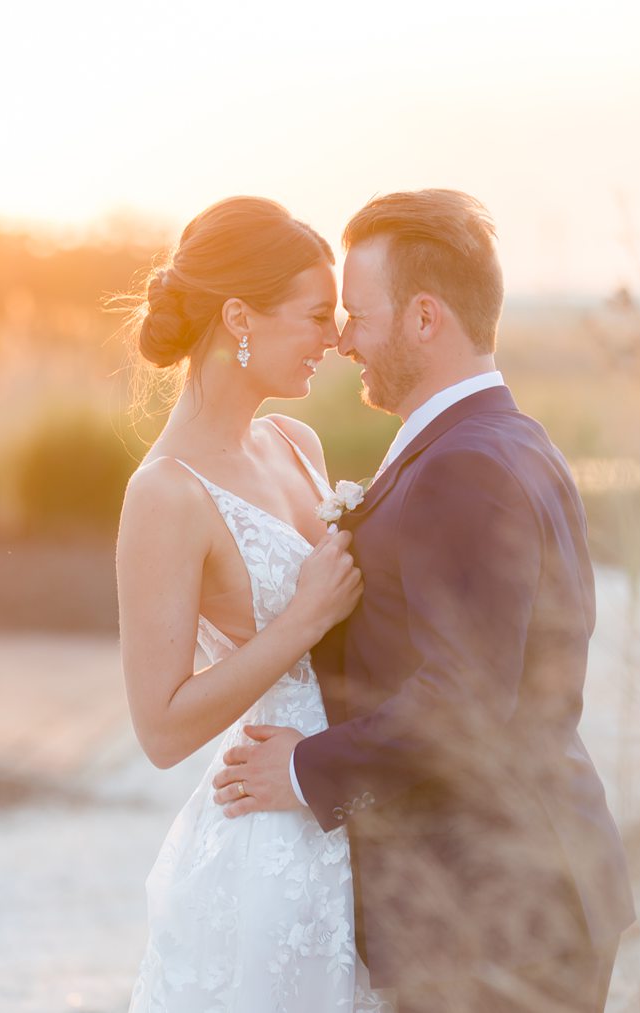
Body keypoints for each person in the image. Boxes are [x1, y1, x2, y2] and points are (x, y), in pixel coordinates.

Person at [211, 189, 636, 1011]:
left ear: (425, 319)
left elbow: (463, 702)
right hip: (528, 890)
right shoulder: (507, 438)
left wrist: (300, 767)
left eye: (358, 314)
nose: (340, 338)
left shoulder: (462, 466)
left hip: (497, 908)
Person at [116, 196, 386, 1011]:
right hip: (270, 834)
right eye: (314, 316)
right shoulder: (164, 494)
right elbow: (160, 728)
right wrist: (302, 620)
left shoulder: (295, 444)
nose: (334, 340)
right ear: (240, 316)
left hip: (346, 801)